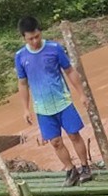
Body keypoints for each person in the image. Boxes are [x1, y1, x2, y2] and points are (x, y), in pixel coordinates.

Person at [14, 16, 93, 186]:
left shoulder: (54, 48)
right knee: (55, 142)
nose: (35, 41)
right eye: (30, 39)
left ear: (40, 32)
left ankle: (85, 167)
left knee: (74, 135)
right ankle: (70, 170)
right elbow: (22, 83)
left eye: (37, 36)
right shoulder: (20, 56)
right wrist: (25, 109)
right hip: (42, 109)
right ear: (24, 38)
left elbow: (70, 71)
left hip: (63, 102)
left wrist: (81, 94)